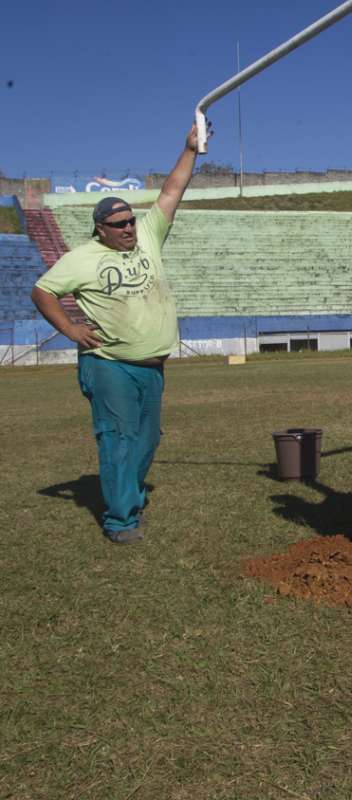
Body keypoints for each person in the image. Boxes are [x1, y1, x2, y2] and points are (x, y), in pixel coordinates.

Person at [31, 122, 210, 544]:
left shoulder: (147, 236)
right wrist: (71, 328)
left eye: (130, 220)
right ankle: (120, 519)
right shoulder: (81, 259)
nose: (129, 228)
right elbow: (42, 292)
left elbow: (171, 192)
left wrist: (190, 151)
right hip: (110, 365)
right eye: (119, 224)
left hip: (152, 366)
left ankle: (128, 494)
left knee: (147, 438)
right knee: (119, 439)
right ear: (101, 229)